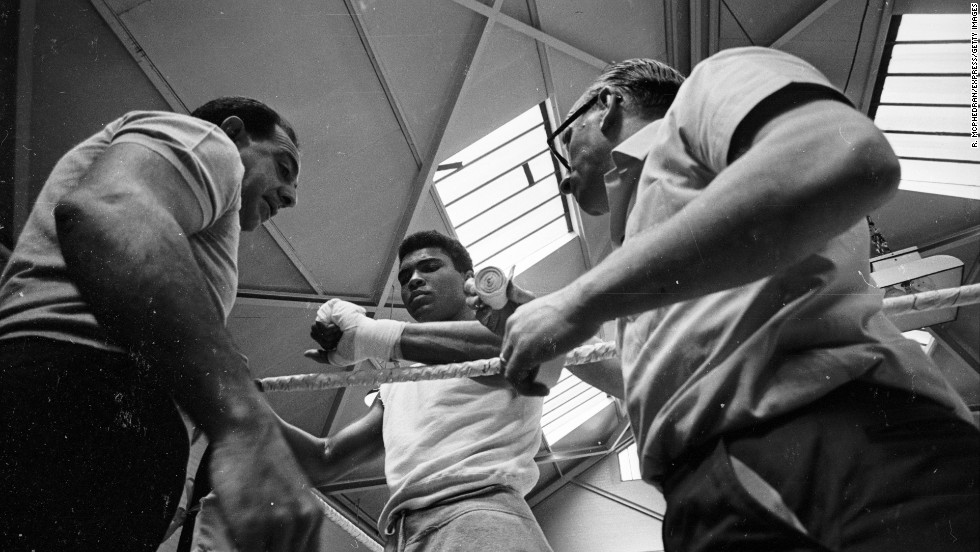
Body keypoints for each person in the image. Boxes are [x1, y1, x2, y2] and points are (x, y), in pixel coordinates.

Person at [485, 47, 980, 551]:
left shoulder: (707, 92)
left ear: (607, 106)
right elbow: (643, 380)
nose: (565, 175)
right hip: (704, 497)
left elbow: (849, 158)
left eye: (564, 141)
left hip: (832, 437)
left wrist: (577, 302)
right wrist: (543, 319)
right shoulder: (640, 255)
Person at [0, 97, 325, 552]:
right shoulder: (212, 143)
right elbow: (108, 208)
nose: (291, 196)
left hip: (84, 404)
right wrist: (243, 424)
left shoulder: (194, 224)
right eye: (285, 167)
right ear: (234, 132)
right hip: (84, 397)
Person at [293, 230, 620, 552]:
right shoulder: (400, 380)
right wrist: (242, 393)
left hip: (480, 520)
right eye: (405, 275)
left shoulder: (512, 327)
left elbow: (514, 352)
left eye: (430, 267)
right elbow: (325, 459)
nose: (414, 280)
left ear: (468, 277)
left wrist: (374, 335)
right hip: (405, 537)